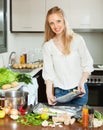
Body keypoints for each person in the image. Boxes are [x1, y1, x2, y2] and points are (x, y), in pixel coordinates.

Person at [42, 6, 94, 106]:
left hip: (79, 91)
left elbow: (88, 64)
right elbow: (48, 73)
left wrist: (82, 82)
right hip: (60, 93)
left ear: (64, 21)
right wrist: (48, 93)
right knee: (61, 121)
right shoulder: (48, 46)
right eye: (51, 23)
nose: (56, 26)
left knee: (79, 121)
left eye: (58, 21)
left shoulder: (77, 40)